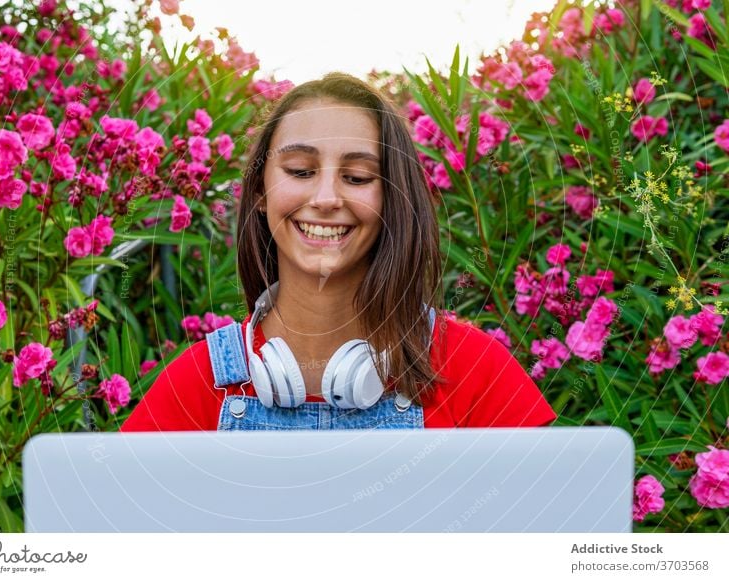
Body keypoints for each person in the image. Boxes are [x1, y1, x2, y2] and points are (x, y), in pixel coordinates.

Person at [120, 72, 556, 432]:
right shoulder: (195, 383)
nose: (326, 197)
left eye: (359, 177)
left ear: (394, 198)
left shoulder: (476, 371)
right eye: (300, 171)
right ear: (258, 190)